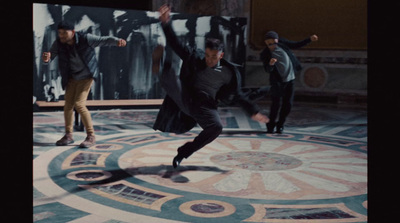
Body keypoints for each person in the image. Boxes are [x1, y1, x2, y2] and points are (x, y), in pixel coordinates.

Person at [153, 5, 269, 168]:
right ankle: (159, 67)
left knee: (216, 127)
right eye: (207, 55)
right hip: (187, 96)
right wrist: (166, 23)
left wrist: (253, 112)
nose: (209, 60)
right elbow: (176, 44)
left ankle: (183, 152)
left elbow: (238, 96)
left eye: (213, 57)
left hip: (205, 105)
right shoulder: (195, 57)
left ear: (221, 55)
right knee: (171, 76)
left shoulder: (229, 73)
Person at [42, 21, 127, 148]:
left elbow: (103, 40)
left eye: (65, 33)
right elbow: (50, 57)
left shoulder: (85, 38)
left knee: (79, 104)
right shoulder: (59, 43)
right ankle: (68, 135)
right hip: (71, 77)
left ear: (73, 32)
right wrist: (46, 59)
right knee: (68, 106)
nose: (62, 36)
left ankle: (91, 136)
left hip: (87, 76)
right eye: (60, 33)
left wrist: (117, 41)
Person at [257, 31, 318, 133]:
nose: (272, 46)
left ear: (277, 40)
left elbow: (296, 44)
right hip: (277, 82)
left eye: (273, 43)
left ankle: (280, 125)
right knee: (276, 105)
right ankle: (270, 125)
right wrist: (271, 64)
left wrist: (309, 39)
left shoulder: (283, 43)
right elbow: (267, 69)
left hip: (290, 79)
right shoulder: (265, 54)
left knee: (288, 104)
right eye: (269, 44)